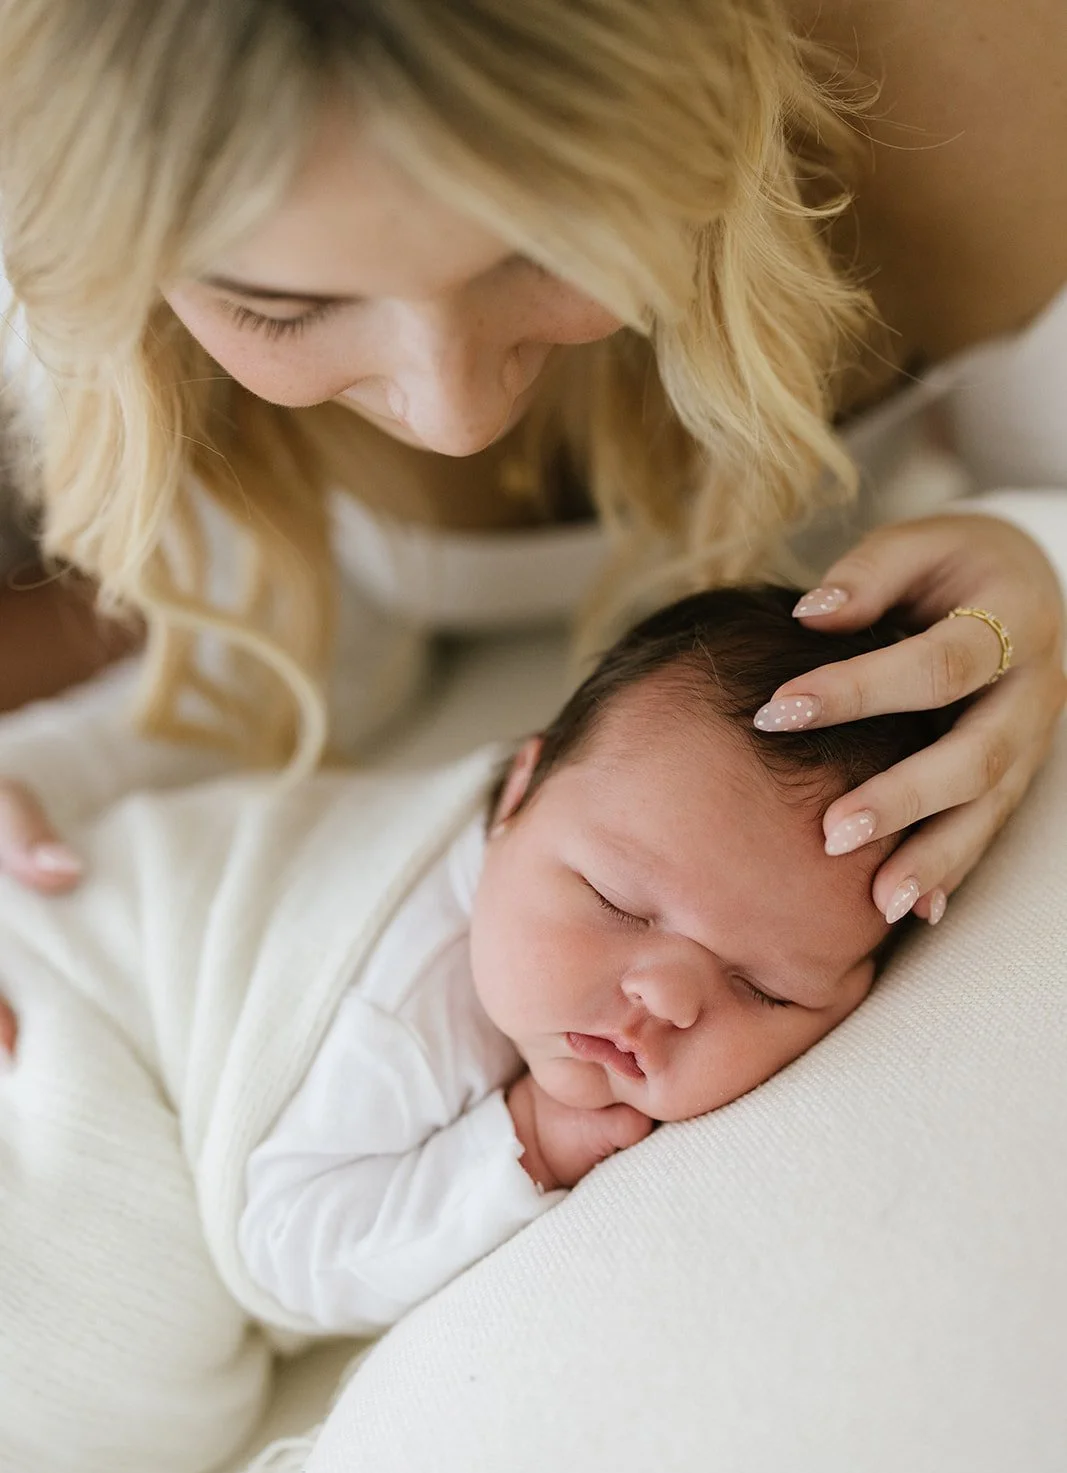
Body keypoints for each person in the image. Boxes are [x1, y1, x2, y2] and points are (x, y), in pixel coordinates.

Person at [0, 0, 1064, 1026]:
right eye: (281, 309)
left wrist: (1033, 550)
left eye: (549, 247)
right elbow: (313, 650)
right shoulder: (70, 228)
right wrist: (40, 778)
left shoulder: (968, 80)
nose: (455, 414)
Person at [0, 586, 947, 1473]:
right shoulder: (403, 1021)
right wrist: (519, 1146)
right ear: (514, 796)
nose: (666, 997)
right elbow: (285, 1244)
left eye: (762, 987)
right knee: (121, 1351)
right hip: (58, 998)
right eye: (616, 902)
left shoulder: (591, 826)